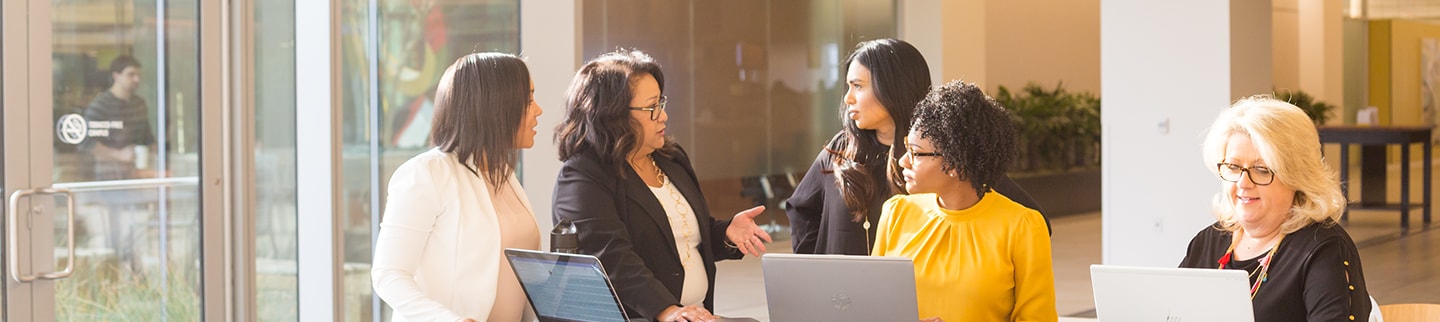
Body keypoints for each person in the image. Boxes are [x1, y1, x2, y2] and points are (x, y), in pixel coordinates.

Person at [552, 49, 772, 322]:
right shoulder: (583, 176)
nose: (663, 116)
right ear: (612, 114)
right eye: (651, 107)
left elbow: (681, 238)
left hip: (694, 314)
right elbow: (612, 258)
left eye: (661, 104)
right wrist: (666, 310)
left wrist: (726, 233)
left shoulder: (670, 157)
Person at [786, 38, 1048, 255]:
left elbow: (1030, 219)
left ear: (893, 87)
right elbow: (801, 209)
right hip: (844, 304)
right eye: (848, 86)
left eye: (858, 86)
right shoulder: (842, 149)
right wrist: (813, 269)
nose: (848, 98)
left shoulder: (944, 148)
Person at [371, 52, 544, 322]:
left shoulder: (504, 175)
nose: (538, 110)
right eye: (530, 99)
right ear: (497, 105)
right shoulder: (426, 175)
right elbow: (388, 275)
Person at [872, 80, 1057, 322]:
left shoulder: (1022, 227)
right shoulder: (896, 213)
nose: (903, 161)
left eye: (916, 153)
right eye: (907, 148)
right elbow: (872, 307)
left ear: (955, 164)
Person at [1179, 96, 1369, 321]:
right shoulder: (1207, 242)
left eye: (1261, 169)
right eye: (1233, 166)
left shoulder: (1323, 249)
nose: (1243, 183)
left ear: (1297, 176)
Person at [82, 55, 157, 181]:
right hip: (109, 175)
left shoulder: (139, 103)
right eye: (131, 74)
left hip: (137, 174)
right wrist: (119, 155)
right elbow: (86, 142)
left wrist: (156, 153)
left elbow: (147, 137)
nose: (136, 79)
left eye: (138, 75)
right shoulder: (101, 104)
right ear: (116, 76)